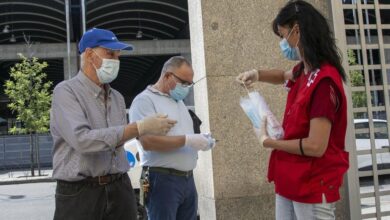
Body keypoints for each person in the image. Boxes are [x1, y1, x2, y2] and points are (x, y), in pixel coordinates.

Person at [236, 1, 349, 219]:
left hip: (312, 183)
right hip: (290, 179)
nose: (282, 43)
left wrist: (268, 141)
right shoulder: (305, 70)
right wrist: (256, 74)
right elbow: (282, 76)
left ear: (297, 30)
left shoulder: (323, 82)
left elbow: (316, 146)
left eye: (283, 35)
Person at [50, 28, 177, 220]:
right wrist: (138, 127)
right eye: (110, 54)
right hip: (80, 192)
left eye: (118, 56)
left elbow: (117, 142)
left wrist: (144, 131)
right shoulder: (66, 92)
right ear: (89, 55)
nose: (116, 61)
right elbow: (82, 141)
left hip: (119, 186)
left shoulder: (117, 98)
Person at [129, 56, 216, 220]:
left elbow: (182, 134)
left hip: (187, 179)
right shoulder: (144, 101)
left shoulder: (178, 102)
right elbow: (147, 142)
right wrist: (187, 140)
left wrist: (200, 141)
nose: (187, 88)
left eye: (190, 83)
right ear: (167, 76)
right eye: (184, 82)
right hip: (162, 179)